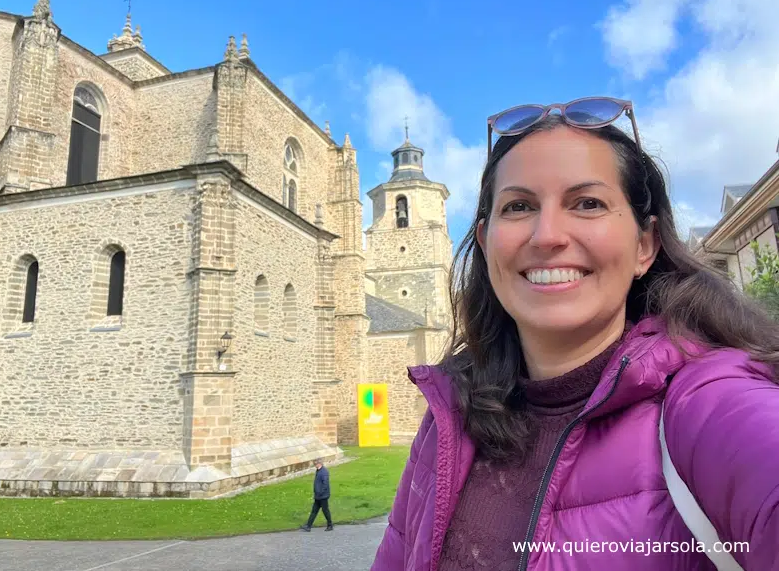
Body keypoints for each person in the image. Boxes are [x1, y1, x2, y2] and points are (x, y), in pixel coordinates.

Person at [371, 98, 779, 570]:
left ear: (645, 244)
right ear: (485, 243)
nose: (547, 235)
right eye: (519, 206)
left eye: (587, 203)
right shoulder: (449, 413)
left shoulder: (709, 400)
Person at [300, 458, 333, 532]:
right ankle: (308, 526)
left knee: (325, 511)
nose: (314, 465)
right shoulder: (318, 470)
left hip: (323, 496)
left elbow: (325, 484)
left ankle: (330, 525)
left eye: (315, 464)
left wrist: (320, 493)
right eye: (314, 464)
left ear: (319, 463)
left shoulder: (324, 472)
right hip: (318, 496)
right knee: (314, 511)